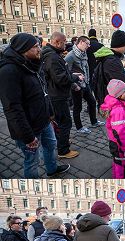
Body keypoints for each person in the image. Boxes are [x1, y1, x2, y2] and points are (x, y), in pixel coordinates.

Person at [0, 33, 70, 178]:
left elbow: (43, 91)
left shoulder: (32, 63)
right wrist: (28, 137)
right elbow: (12, 108)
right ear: (23, 49)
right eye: (35, 46)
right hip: (28, 129)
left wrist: (50, 113)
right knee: (32, 160)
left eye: (39, 45)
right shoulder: (8, 71)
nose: (40, 49)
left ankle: (52, 169)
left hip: (43, 120)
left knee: (51, 145)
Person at [93, 30, 125, 179]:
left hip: (112, 104)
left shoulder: (106, 57)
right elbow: (121, 82)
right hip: (118, 107)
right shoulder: (112, 61)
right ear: (121, 45)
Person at [42, 32, 83, 159]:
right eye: (64, 42)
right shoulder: (52, 57)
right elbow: (61, 78)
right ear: (57, 42)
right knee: (65, 122)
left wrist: (72, 81)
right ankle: (63, 150)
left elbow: (61, 74)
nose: (66, 44)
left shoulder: (53, 55)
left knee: (60, 122)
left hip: (56, 93)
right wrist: (76, 77)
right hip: (57, 96)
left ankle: (62, 142)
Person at [65, 36, 104, 134]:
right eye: (87, 43)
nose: (89, 46)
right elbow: (65, 73)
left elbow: (86, 67)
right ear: (81, 42)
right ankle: (79, 127)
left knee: (92, 102)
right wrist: (74, 85)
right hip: (76, 86)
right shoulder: (70, 56)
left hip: (85, 84)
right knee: (78, 107)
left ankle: (94, 122)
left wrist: (87, 81)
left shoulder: (84, 53)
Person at [100, 79, 125, 179]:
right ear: (118, 94)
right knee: (120, 165)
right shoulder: (118, 110)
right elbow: (119, 132)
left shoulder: (118, 104)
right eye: (124, 91)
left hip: (117, 144)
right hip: (120, 145)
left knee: (117, 163)